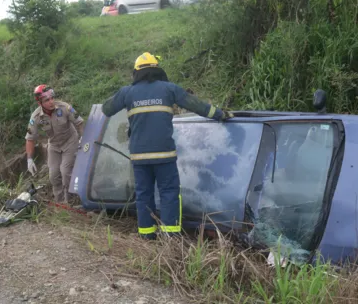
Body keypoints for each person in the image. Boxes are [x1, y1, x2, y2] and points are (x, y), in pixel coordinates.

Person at [101, 52, 233, 240]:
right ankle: (171, 238)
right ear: (157, 70)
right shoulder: (169, 89)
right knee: (169, 193)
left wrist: (125, 98)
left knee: (144, 194)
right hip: (164, 154)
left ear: (136, 72)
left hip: (139, 156)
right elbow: (198, 106)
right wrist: (221, 114)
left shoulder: (127, 92)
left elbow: (106, 109)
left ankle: (147, 236)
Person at [24, 85, 84, 204]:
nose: (51, 102)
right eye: (47, 100)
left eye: (52, 98)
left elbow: (80, 123)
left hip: (70, 141)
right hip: (54, 145)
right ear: (40, 103)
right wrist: (29, 159)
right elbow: (30, 138)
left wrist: (83, 138)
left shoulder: (65, 107)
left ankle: (72, 202)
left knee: (65, 172)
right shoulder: (36, 117)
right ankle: (60, 203)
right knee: (54, 175)